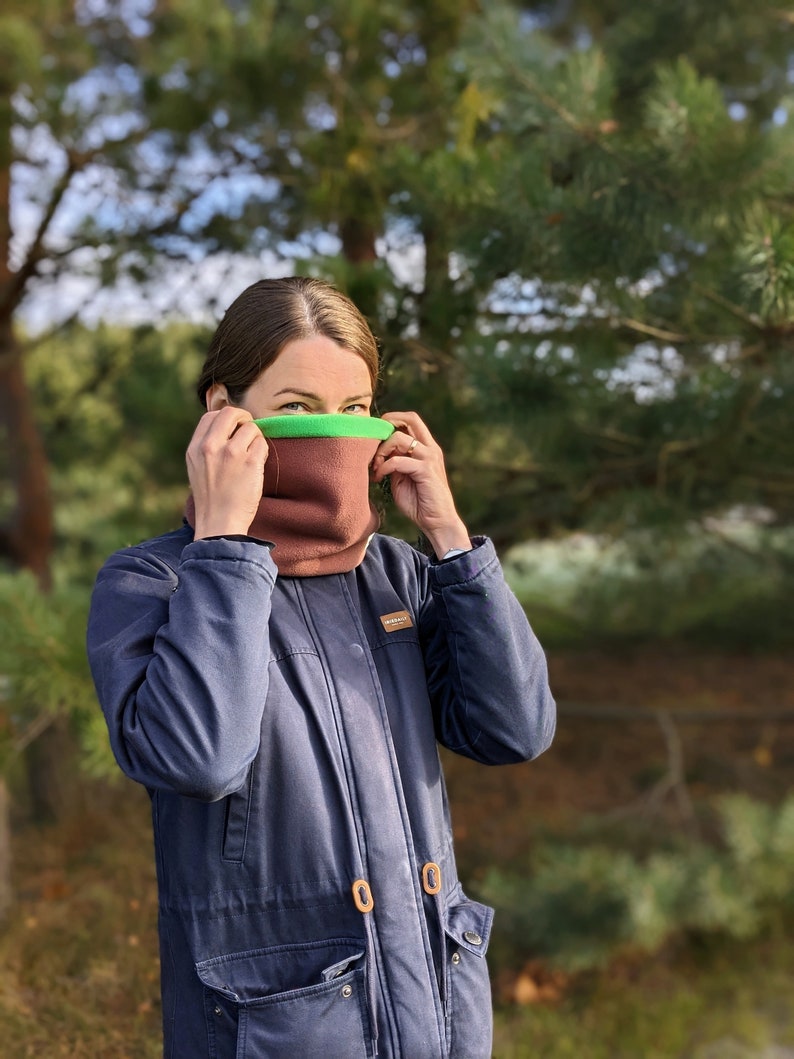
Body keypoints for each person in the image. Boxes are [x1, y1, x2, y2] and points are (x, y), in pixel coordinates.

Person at [87, 276, 555, 1059]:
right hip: (280, 1031)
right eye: (298, 408)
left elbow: (515, 729)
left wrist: (449, 534)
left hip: (438, 1012)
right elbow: (198, 758)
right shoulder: (153, 583)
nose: (334, 435)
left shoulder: (397, 574)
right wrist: (226, 548)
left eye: (355, 408)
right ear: (222, 411)